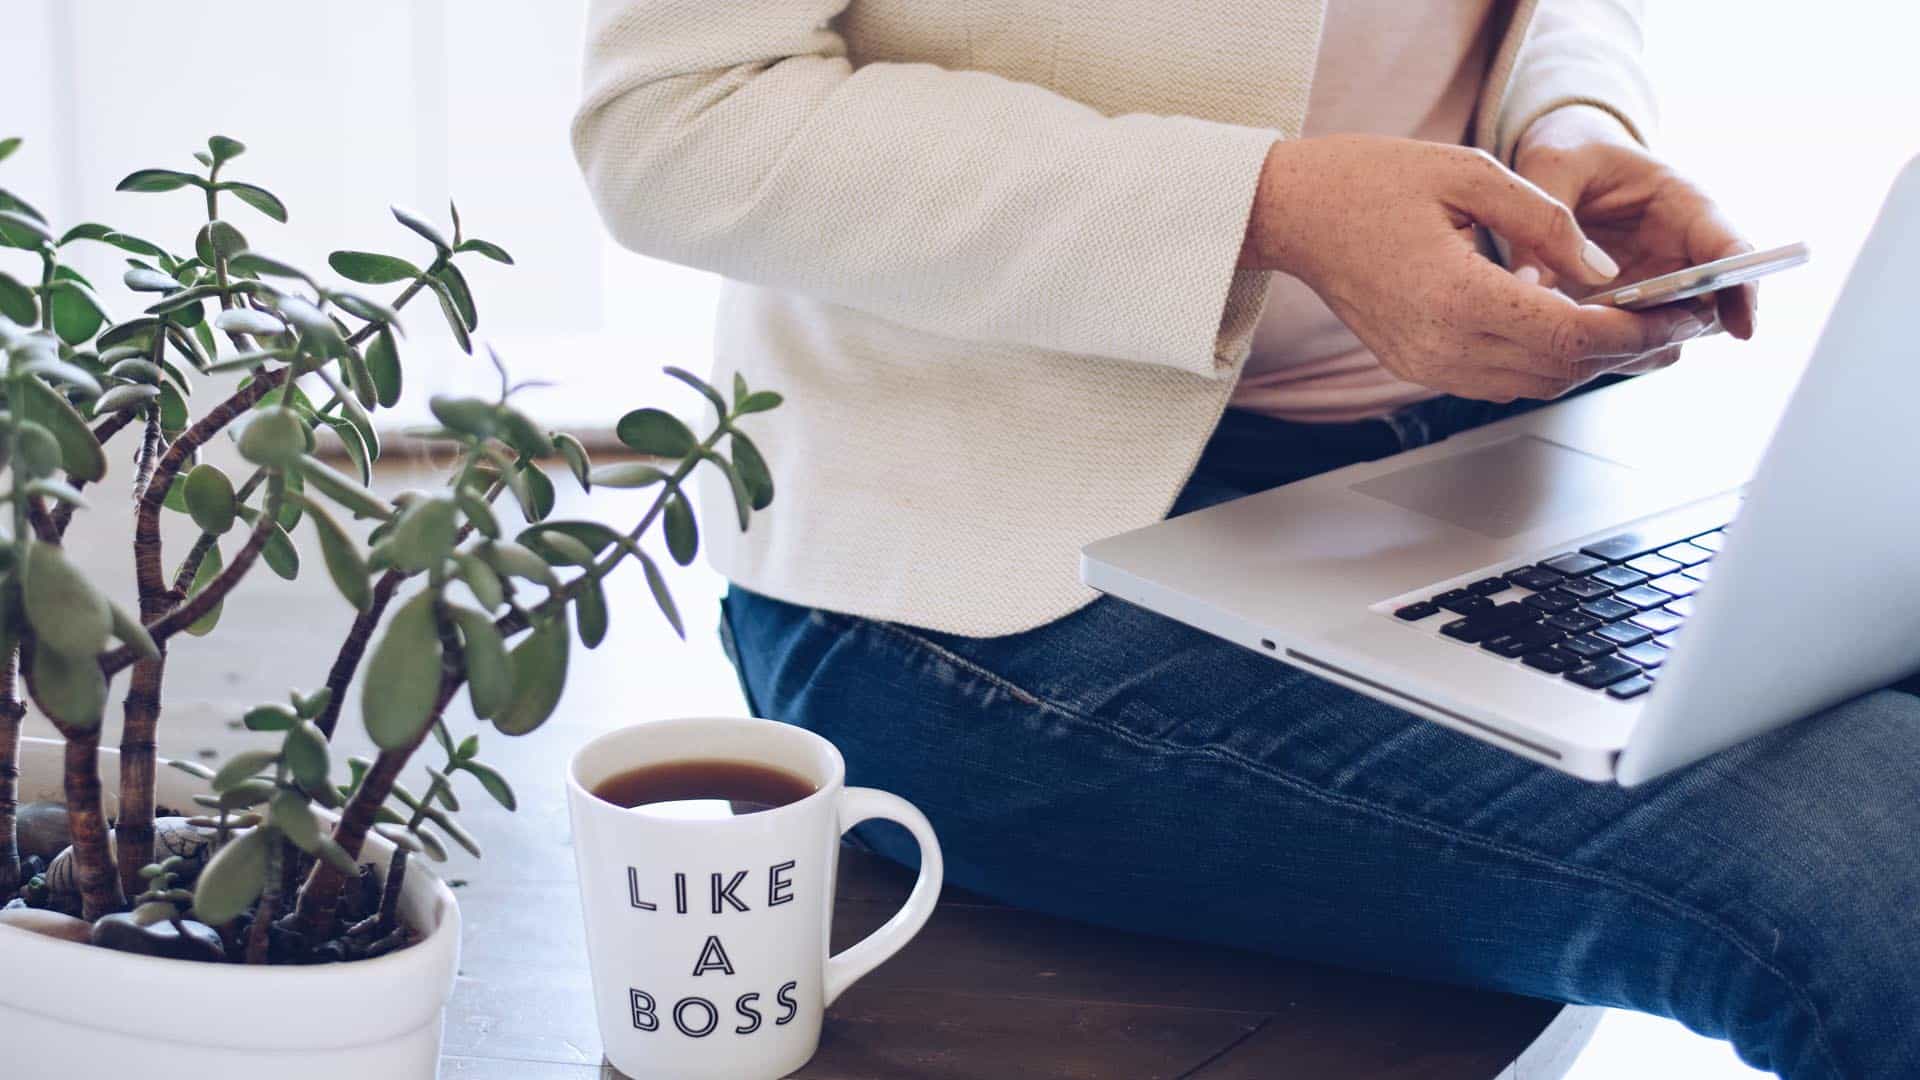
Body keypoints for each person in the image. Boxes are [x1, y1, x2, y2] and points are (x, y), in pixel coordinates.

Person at [572, 3, 1916, 1076]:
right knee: (1866, 856)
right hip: (997, 556)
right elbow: (676, 114)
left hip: (1493, 447)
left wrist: (1568, 125)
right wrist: (1260, 205)